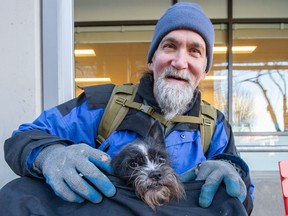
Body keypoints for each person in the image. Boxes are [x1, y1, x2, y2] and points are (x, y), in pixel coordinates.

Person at [1, 2, 253, 215]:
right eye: (169, 46)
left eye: (195, 51)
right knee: (18, 194)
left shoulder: (215, 125)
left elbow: (244, 201)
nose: (180, 62)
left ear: (205, 69)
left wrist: (233, 171)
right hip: (110, 207)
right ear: (152, 58)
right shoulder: (102, 104)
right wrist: (50, 155)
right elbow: (24, 137)